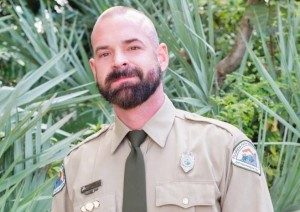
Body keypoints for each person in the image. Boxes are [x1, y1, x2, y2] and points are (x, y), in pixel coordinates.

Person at [51, 6, 274, 212]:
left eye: (133, 47)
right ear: (94, 68)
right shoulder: (76, 166)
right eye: (105, 54)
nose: (119, 61)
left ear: (161, 56)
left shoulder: (222, 148)